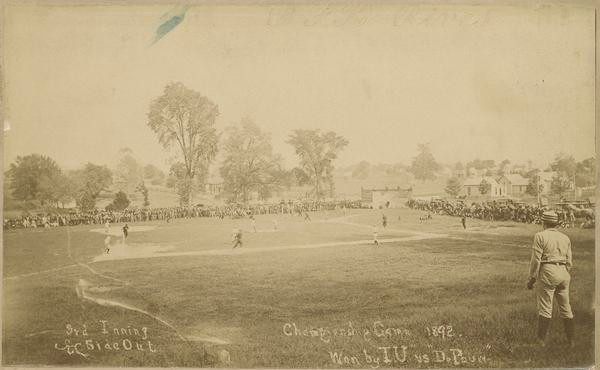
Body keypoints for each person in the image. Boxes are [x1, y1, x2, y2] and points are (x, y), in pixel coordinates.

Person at [527, 211, 574, 347]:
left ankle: (540, 342)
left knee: (545, 308)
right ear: (556, 223)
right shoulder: (565, 237)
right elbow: (570, 262)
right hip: (564, 272)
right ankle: (571, 342)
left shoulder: (540, 236)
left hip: (548, 270)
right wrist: (564, 272)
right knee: (566, 308)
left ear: (544, 223)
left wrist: (531, 279)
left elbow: (536, 260)